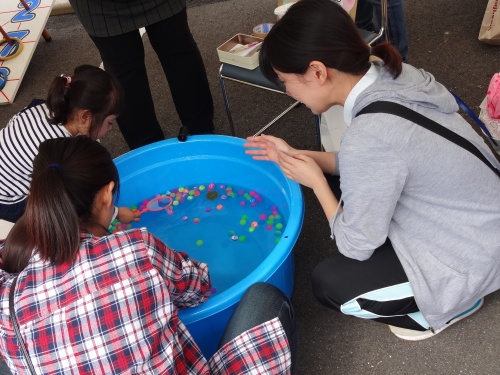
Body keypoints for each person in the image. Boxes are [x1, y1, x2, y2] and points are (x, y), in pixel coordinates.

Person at [244, 0, 500, 341]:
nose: (287, 92)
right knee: (345, 188)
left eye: (285, 81)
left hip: (474, 253)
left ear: (318, 72)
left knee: (329, 283)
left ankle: (451, 305)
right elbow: (365, 163)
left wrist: (317, 183)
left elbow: (356, 245)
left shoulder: (371, 136)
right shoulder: (390, 72)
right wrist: (293, 155)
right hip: (480, 215)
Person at [0, 137, 294, 374]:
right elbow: (200, 287)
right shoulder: (135, 249)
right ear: (107, 194)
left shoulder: (8, 302)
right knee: (265, 298)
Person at [0, 65, 139, 225]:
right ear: (85, 116)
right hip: (9, 200)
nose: (110, 128)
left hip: (9, 170)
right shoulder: (62, 151)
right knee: (62, 217)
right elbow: (76, 196)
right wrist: (116, 213)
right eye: (110, 122)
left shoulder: (45, 107)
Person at [69, 0, 215, 150]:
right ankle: (148, 151)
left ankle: (202, 134)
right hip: (98, 6)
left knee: (179, 54)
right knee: (124, 74)